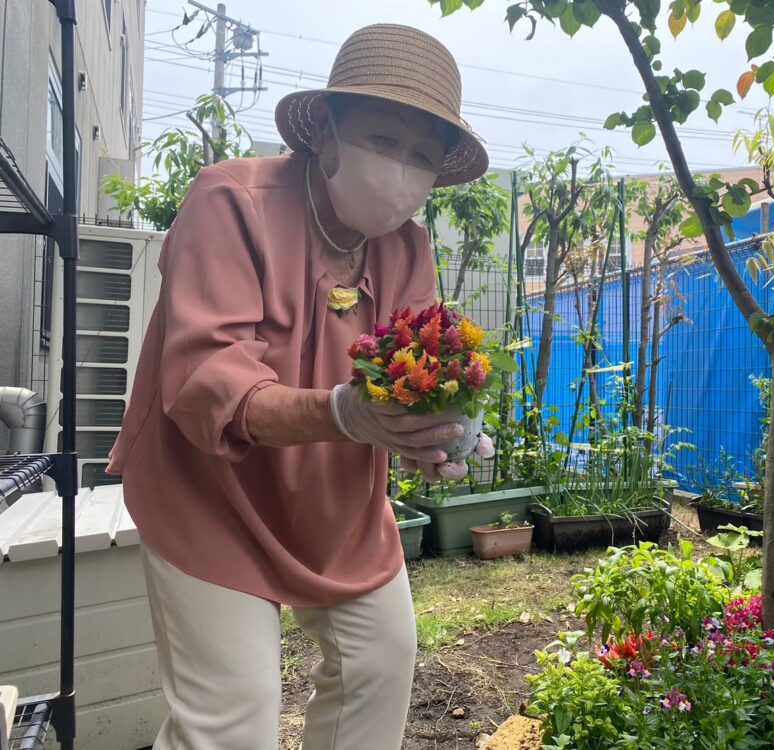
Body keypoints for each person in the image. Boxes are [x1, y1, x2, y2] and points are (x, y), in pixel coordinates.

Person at [106, 23, 490, 750]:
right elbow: (206, 382)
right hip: (207, 494)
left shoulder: (408, 246)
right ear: (327, 130)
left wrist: (437, 435)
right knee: (232, 717)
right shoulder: (231, 203)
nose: (400, 169)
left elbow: (406, 381)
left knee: (380, 663)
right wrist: (348, 412)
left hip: (336, 502)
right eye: (383, 139)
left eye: (421, 157)